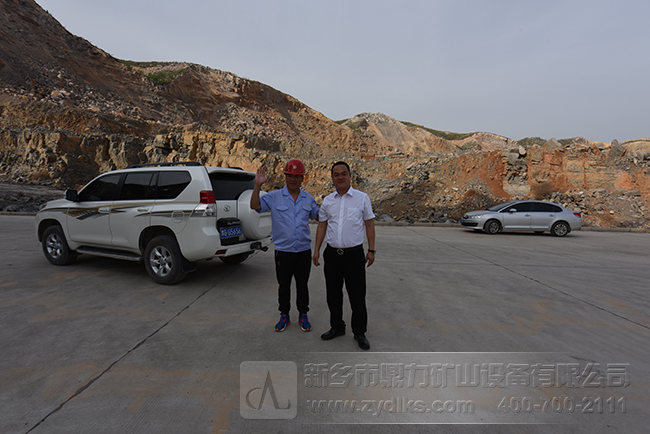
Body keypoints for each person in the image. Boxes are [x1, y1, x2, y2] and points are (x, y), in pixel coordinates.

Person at [250, 159, 320, 332]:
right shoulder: (274, 197)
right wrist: (257, 185)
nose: (293, 179)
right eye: (290, 175)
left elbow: (319, 217)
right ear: (285, 177)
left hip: (303, 251)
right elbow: (255, 205)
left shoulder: (308, 199)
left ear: (302, 178)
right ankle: (284, 315)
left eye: (296, 176)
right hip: (284, 252)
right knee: (284, 286)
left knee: (302, 285)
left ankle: (303, 315)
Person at [312, 161, 376, 350]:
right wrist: (316, 250)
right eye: (336, 174)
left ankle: (359, 332)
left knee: (357, 296)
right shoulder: (328, 201)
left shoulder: (362, 198)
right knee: (333, 295)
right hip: (332, 255)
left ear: (350, 176)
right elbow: (322, 226)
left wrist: (371, 250)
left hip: (354, 255)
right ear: (332, 178)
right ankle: (337, 327)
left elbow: (369, 224)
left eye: (343, 173)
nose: (340, 177)